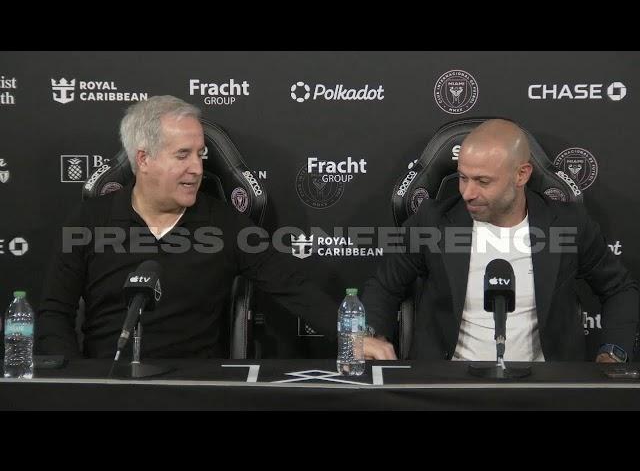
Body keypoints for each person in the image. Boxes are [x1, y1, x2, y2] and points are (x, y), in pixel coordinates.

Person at [36, 95, 336, 358]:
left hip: (195, 387)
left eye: (200, 154)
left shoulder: (226, 223)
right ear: (143, 159)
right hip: (109, 384)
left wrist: (355, 337)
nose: (197, 168)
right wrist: (73, 381)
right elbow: (54, 313)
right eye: (183, 155)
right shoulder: (88, 221)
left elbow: (293, 288)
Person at [362, 119, 638, 363]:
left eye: (483, 181)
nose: (468, 192)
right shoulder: (432, 221)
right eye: (463, 178)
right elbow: (385, 286)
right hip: (448, 384)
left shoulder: (568, 225)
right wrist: (370, 335)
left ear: (522, 175)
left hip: (544, 386)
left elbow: (619, 289)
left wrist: (613, 352)